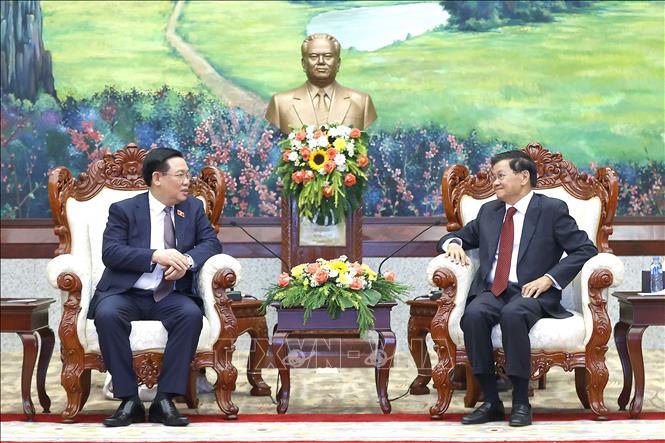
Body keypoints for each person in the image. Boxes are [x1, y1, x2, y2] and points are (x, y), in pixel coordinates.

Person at [437, 150, 597, 427]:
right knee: (473, 315)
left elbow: (585, 249)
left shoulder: (551, 210)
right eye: (493, 177)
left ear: (523, 177)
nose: (495, 182)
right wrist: (452, 244)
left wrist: (549, 278)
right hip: (495, 291)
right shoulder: (489, 211)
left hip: (533, 293)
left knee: (513, 315)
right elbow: (458, 236)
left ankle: (521, 402)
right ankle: (491, 402)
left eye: (500, 176)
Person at [90, 148, 222, 427]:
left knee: (190, 315)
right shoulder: (124, 210)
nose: (187, 181)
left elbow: (211, 244)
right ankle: (129, 400)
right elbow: (111, 253)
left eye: (188, 174)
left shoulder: (193, 208)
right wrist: (155, 256)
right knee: (107, 314)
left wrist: (186, 262)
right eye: (180, 175)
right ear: (158, 178)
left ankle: (165, 400)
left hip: (170, 294)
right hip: (126, 293)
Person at [265, 33, 377, 134]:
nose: (321, 62)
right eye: (313, 56)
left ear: (338, 63)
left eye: (328, 56)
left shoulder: (361, 102)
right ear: (303, 63)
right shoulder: (280, 103)